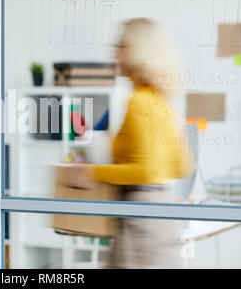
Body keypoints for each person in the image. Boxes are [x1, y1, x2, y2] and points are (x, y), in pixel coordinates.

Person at [66, 18, 194, 268]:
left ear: (139, 52)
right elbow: (182, 165)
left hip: (140, 219)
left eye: (122, 47)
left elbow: (145, 170)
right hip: (161, 213)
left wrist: (91, 172)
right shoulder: (160, 101)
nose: (115, 54)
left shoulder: (138, 102)